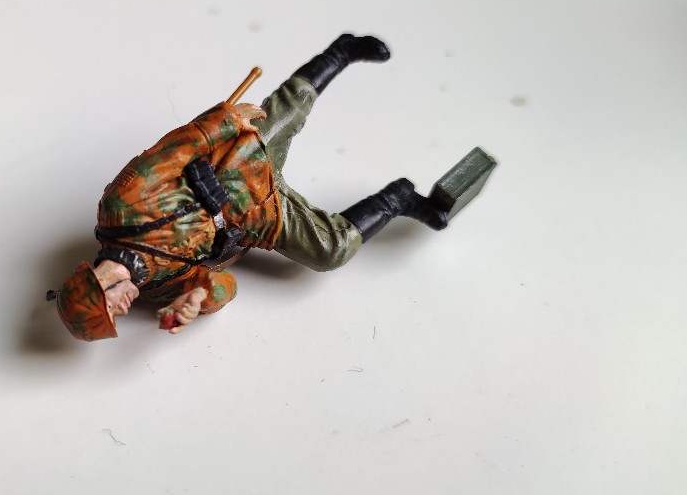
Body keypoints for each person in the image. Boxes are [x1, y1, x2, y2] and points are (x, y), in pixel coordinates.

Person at [51, 34, 449, 341]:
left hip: (238, 161)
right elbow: (226, 284)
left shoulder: (120, 209)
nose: (122, 311)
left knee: (289, 109)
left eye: (110, 308)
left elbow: (168, 155)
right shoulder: (157, 289)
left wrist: (225, 121)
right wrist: (200, 298)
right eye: (116, 317)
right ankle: (399, 199)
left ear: (97, 283)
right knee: (331, 251)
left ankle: (341, 51)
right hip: (256, 218)